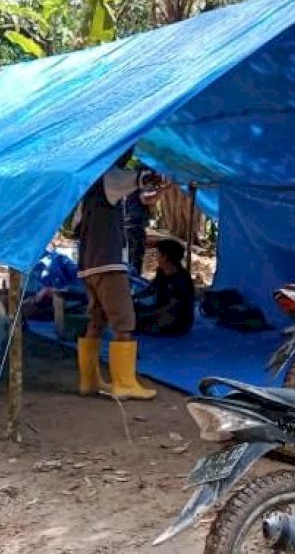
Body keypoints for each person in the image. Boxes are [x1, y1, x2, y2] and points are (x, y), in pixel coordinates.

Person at [74, 146, 164, 400]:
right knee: (124, 322)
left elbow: (77, 226)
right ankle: (124, 384)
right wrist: (151, 177)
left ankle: (88, 381)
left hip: (88, 265)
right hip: (109, 262)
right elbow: (140, 179)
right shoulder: (108, 176)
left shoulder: (86, 187)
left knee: (96, 321)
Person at [134, 239, 196, 337]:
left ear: (165, 257)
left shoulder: (181, 279)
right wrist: (133, 297)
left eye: (157, 254)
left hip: (176, 319)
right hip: (160, 311)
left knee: (136, 323)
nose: (155, 257)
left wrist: (148, 314)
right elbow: (152, 289)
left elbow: (174, 306)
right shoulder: (162, 272)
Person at [124, 190, 148, 276]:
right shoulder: (138, 187)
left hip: (130, 225)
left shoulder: (128, 187)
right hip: (135, 226)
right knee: (136, 258)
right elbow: (146, 199)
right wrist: (162, 190)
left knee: (131, 258)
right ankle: (134, 279)